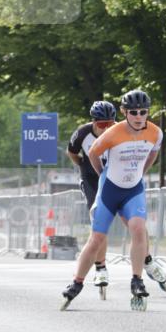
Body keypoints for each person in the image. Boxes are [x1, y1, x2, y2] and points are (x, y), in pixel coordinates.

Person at [61, 89, 163, 310]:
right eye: (133, 112)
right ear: (125, 112)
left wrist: (141, 172)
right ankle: (77, 282)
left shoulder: (156, 132)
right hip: (109, 189)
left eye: (143, 112)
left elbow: (153, 153)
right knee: (97, 238)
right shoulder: (113, 132)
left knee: (138, 228)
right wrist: (101, 175)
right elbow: (92, 154)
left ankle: (137, 280)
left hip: (133, 189)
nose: (138, 116)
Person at [67, 101, 116, 289]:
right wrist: (82, 163)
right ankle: (100, 267)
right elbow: (72, 152)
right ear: (94, 122)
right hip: (90, 179)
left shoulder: (119, 131)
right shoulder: (82, 133)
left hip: (110, 177)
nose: (106, 129)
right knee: (98, 221)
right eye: (102, 124)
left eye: (110, 124)